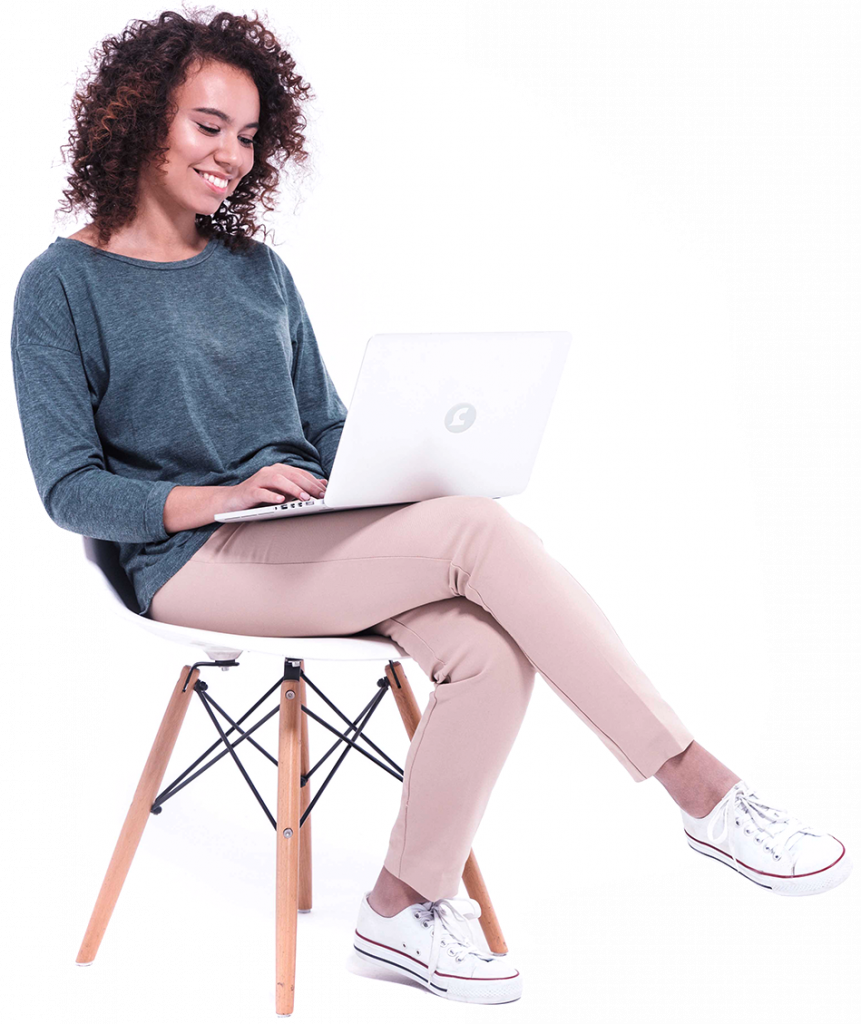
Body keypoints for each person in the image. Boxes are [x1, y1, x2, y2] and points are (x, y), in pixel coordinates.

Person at [9, 8, 852, 1008]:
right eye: (208, 126)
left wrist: (390, 467)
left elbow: (322, 427)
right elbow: (70, 490)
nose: (231, 155)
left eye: (248, 135)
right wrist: (220, 497)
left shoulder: (256, 271)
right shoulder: (61, 286)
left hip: (302, 536)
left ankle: (400, 910)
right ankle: (702, 790)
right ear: (138, 115)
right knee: (477, 532)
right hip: (187, 560)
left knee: (486, 651)